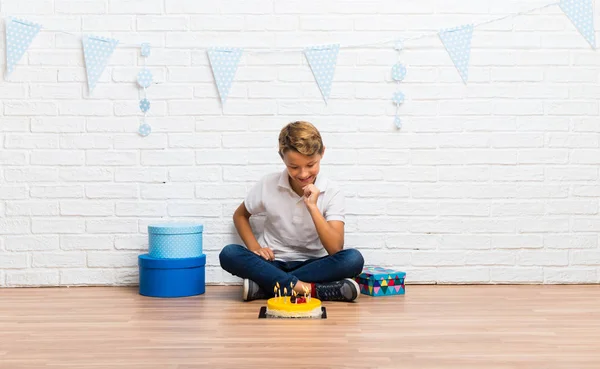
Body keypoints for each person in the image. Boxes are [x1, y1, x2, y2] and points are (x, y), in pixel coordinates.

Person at [219, 121, 364, 302]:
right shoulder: (268, 184)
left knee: (353, 259)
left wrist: (312, 206)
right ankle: (308, 289)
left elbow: (335, 248)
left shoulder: (332, 191)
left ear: (322, 153)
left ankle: (268, 286)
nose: (303, 174)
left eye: (311, 164)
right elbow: (240, 215)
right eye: (294, 167)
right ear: (283, 159)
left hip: (314, 264)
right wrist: (256, 249)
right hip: (272, 262)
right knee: (229, 253)